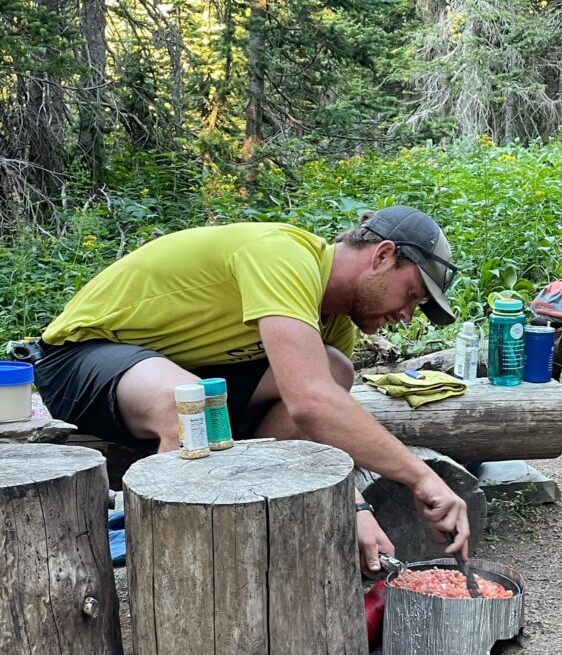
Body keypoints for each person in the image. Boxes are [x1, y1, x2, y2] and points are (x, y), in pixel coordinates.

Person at [35, 205, 470, 573]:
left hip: (175, 372)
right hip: (79, 359)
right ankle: (163, 559)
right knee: (191, 404)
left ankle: (243, 511)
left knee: (334, 369)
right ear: (382, 255)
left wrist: (354, 504)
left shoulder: (334, 320)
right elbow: (310, 401)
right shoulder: (283, 255)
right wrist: (421, 477)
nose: (409, 315)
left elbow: (323, 414)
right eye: (412, 294)